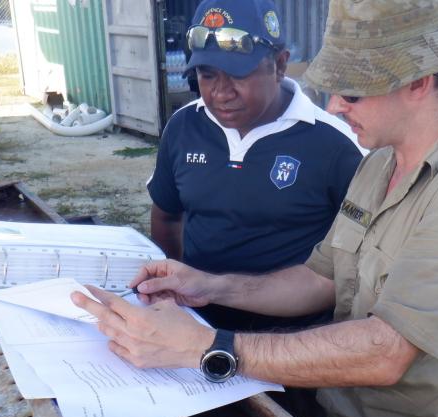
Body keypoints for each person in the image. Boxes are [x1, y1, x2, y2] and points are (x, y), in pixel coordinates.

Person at [74, 0, 438, 417]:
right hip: (352, 415)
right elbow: (320, 278)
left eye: (353, 91)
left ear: (419, 81)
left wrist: (207, 346)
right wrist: (210, 286)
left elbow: (387, 351)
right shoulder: (380, 164)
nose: (336, 105)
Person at [148, 0, 365, 331]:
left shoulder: (337, 144)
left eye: (238, 75)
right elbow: (166, 214)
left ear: (279, 65)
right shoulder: (183, 127)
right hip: (197, 327)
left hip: (294, 340)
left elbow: (357, 262)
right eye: (207, 75)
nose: (221, 93)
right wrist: (174, 289)